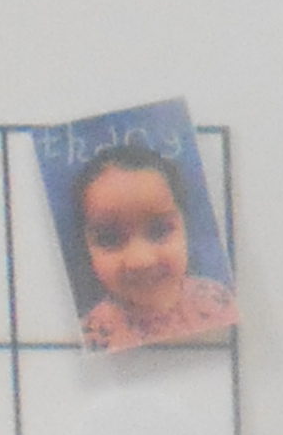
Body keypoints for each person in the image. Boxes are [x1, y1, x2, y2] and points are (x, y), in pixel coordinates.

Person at [66, 133, 233, 347]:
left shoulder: (216, 301)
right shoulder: (92, 336)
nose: (140, 260)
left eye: (159, 230)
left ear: (186, 227)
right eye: (109, 239)